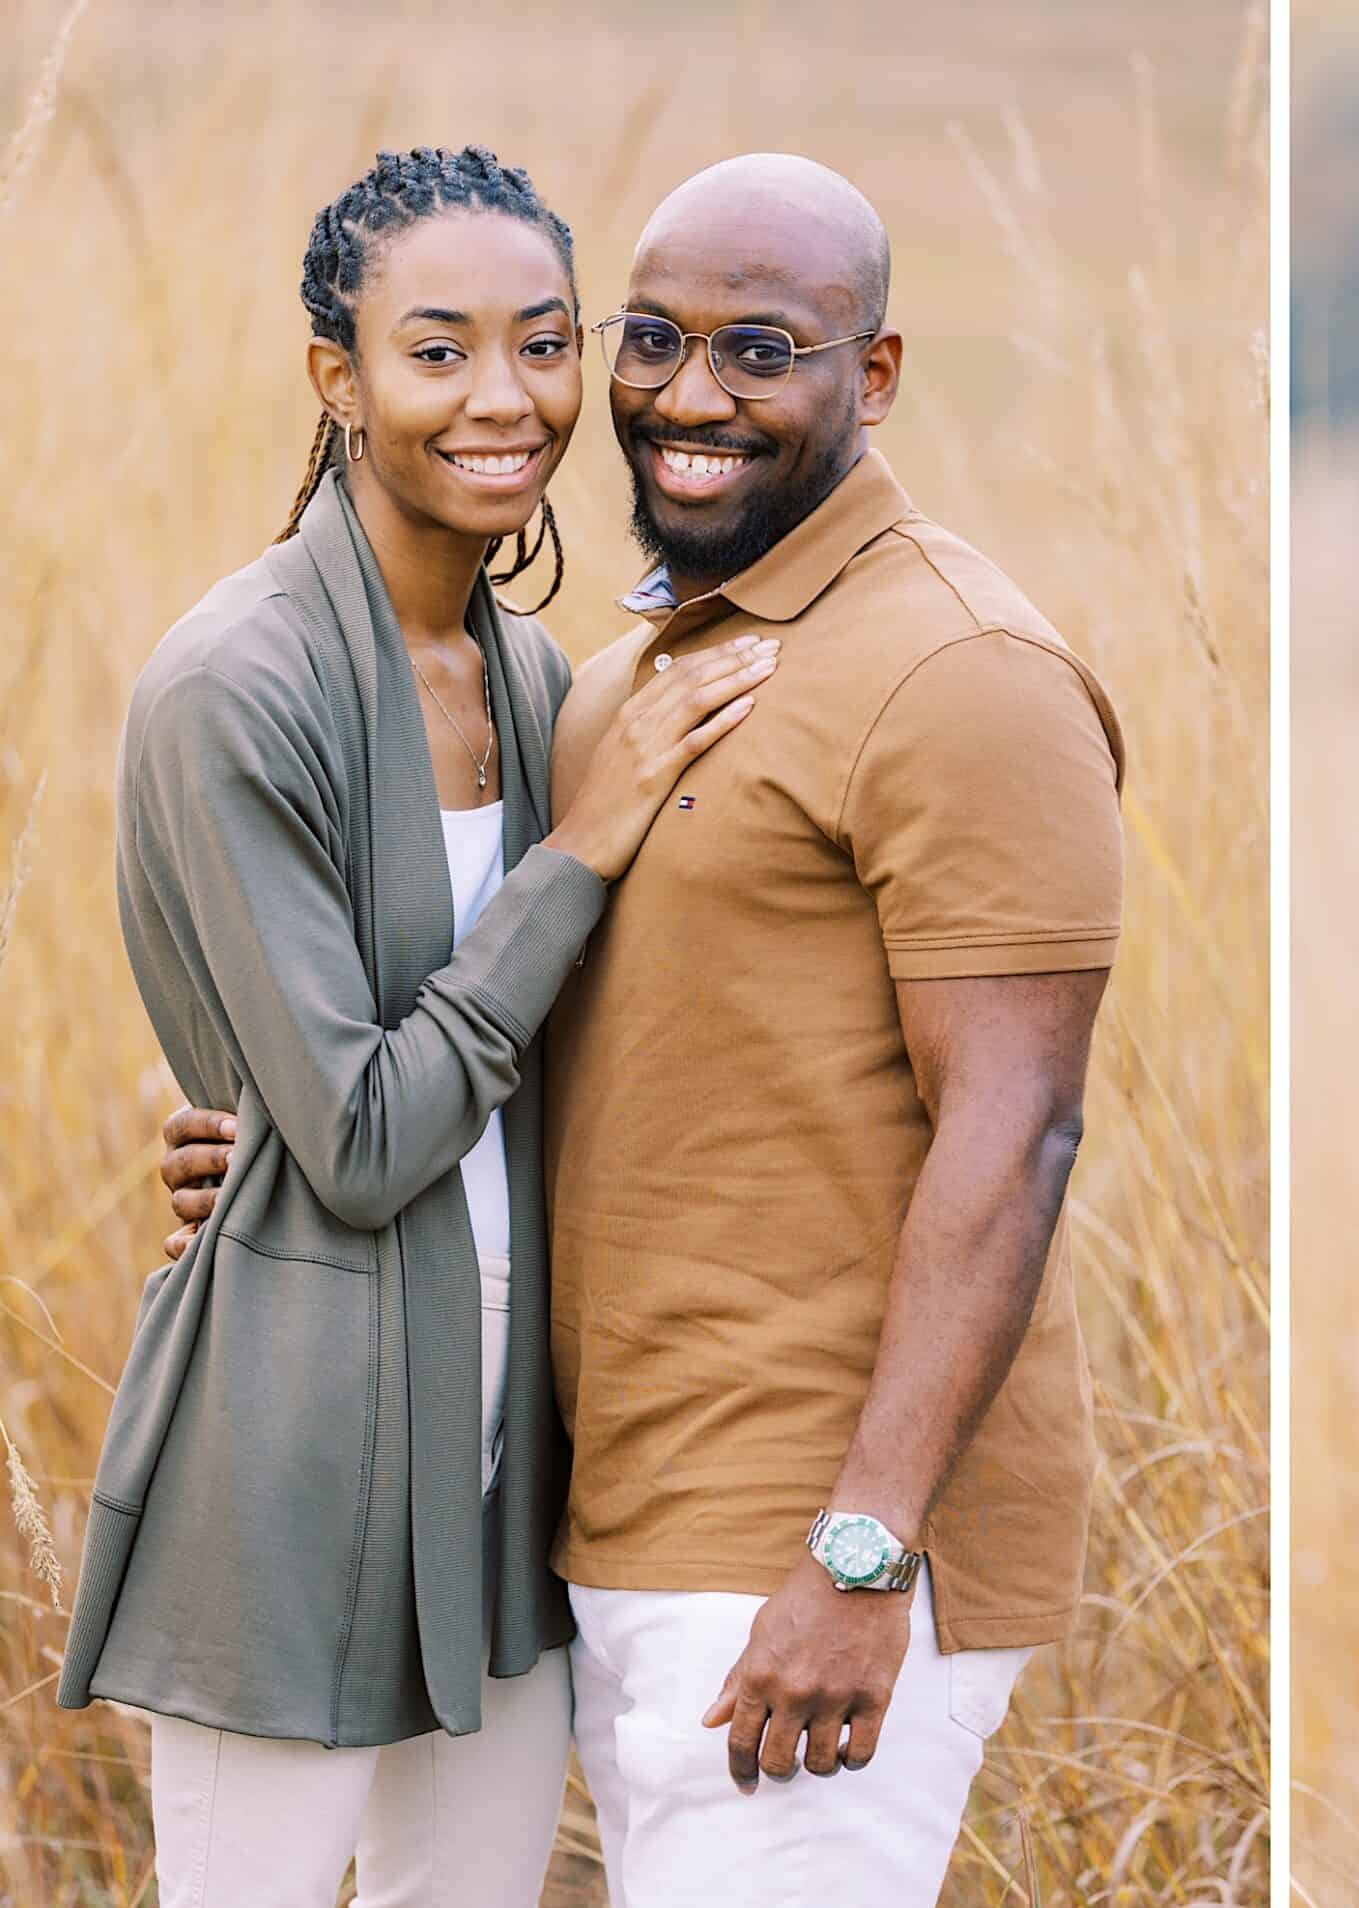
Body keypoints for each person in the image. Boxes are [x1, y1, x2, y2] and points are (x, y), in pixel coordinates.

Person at [162, 152, 1125, 1907]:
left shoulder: (962, 671)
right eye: (653, 340)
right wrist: (281, 1138)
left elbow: (1019, 1131)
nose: (691, 396)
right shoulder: (617, 680)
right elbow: (556, 1037)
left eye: (761, 350)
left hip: (806, 1555)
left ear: (873, 375)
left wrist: (862, 1556)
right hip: (597, 1521)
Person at [61, 148, 770, 1908]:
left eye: (544, 343)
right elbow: (366, 1139)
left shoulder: (539, 684)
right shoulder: (237, 686)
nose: (504, 398)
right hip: (294, 1451)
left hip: (510, 1464)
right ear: (339, 376)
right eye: (437, 351)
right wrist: (584, 848)